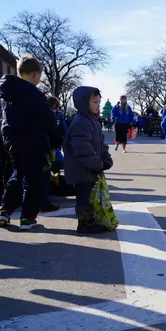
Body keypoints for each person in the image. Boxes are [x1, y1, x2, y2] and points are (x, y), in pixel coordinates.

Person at [0, 57, 58, 229]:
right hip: (33, 141)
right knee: (33, 179)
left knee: (18, 174)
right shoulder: (34, 94)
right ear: (35, 74)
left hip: (11, 141)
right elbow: (47, 120)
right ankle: (28, 217)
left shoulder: (7, 92)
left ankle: (4, 210)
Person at [63, 86, 113, 234]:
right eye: (95, 103)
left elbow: (102, 144)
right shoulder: (80, 123)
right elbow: (82, 150)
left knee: (91, 195)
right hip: (82, 170)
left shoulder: (93, 121)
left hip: (91, 168)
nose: (98, 106)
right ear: (84, 103)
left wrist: (106, 158)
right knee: (84, 196)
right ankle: (84, 223)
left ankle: (91, 219)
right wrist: (98, 164)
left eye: (99, 103)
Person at [40, 96, 67, 213]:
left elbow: (65, 130)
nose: (54, 109)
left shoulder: (58, 116)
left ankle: (54, 186)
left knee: (58, 165)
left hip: (53, 147)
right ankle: (46, 196)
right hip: (46, 148)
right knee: (46, 172)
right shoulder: (44, 115)